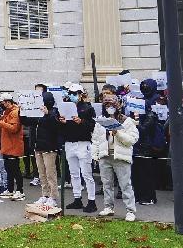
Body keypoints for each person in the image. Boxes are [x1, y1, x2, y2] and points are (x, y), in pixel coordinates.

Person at [92, 93, 139, 222]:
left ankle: (130, 210)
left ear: (118, 105)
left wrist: (118, 134)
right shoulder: (101, 121)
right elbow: (96, 139)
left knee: (125, 185)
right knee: (107, 184)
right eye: (106, 105)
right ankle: (108, 207)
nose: (109, 107)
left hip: (121, 157)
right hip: (105, 156)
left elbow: (132, 139)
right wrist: (95, 155)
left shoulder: (126, 121)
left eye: (112, 104)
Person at [59, 84, 97, 212]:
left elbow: (93, 125)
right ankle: (77, 198)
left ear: (81, 94)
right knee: (74, 173)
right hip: (70, 143)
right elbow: (62, 129)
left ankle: (91, 201)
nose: (73, 96)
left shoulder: (87, 108)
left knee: (87, 174)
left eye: (75, 93)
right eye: (71, 93)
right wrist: (63, 122)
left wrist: (81, 122)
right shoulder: (66, 107)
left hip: (83, 143)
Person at [0, 93, 24, 201]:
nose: (1, 105)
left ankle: (20, 191)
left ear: (8, 102)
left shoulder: (15, 112)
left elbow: (14, 128)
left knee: (15, 169)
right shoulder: (6, 112)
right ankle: (10, 190)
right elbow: (2, 127)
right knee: (8, 169)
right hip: (7, 145)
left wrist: (0, 123)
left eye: (2, 103)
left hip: (13, 145)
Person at [32, 91, 61, 207]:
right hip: (38, 146)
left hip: (49, 147)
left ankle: (53, 196)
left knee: (50, 173)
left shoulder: (54, 112)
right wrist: (23, 111)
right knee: (41, 173)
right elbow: (27, 122)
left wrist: (47, 114)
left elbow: (55, 126)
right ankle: (45, 194)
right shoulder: (36, 113)